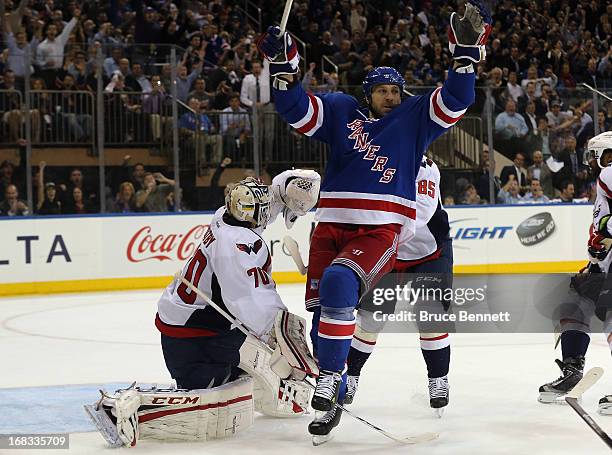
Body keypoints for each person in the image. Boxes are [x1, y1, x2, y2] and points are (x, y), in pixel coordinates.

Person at [258, 0, 490, 441]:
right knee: (329, 310)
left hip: (382, 228)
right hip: (330, 223)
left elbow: (458, 98)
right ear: (369, 94)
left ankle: (333, 377)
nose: (391, 95)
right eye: (382, 90)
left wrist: (463, 58)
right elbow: (294, 108)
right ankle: (335, 387)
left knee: (341, 286)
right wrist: (282, 64)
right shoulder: (344, 112)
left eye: (395, 90)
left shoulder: (414, 120)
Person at [86, 171, 321, 447]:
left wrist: (284, 191)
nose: (267, 208)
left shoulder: (225, 215)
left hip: (196, 323)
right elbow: (250, 301)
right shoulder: (236, 246)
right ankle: (126, 409)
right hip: (197, 335)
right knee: (223, 403)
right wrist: (287, 338)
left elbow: (256, 208)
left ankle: (274, 388)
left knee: (251, 366)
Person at [343, 157, 454, 416]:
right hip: (387, 250)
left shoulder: (423, 166)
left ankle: (438, 379)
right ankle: (350, 377)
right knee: (370, 319)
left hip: (429, 252)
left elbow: (422, 215)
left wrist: (376, 223)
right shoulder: (370, 161)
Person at [539, 131, 612, 414]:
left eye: (594, 155)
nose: (590, 161)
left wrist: (605, 232)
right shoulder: (603, 179)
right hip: (605, 264)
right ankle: (572, 369)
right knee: (574, 301)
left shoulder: (608, 173)